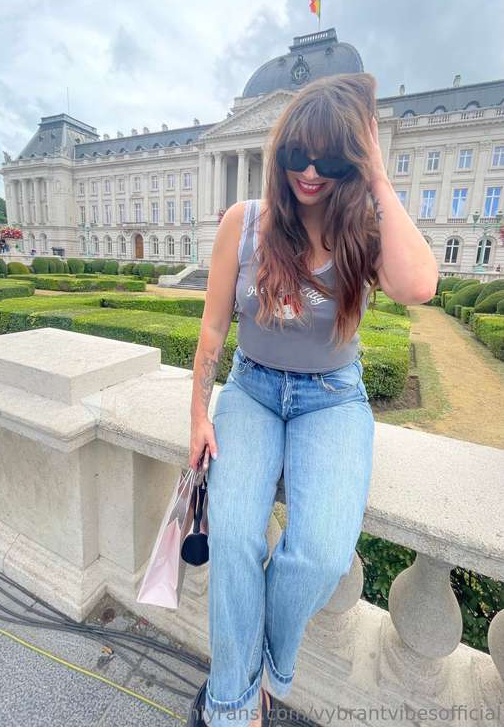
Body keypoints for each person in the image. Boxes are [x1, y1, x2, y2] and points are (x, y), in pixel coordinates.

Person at [187, 73, 438, 727]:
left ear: (349, 161)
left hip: (331, 400)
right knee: (234, 537)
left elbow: (419, 285)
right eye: (298, 154)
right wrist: (198, 415)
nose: (308, 171)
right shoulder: (244, 223)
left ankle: (262, 672)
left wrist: (377, 175)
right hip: (252, 391)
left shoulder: (361, 229)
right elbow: (213, 329)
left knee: (321, 555)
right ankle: (234, 706)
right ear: (281, 152)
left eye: (328, 160)